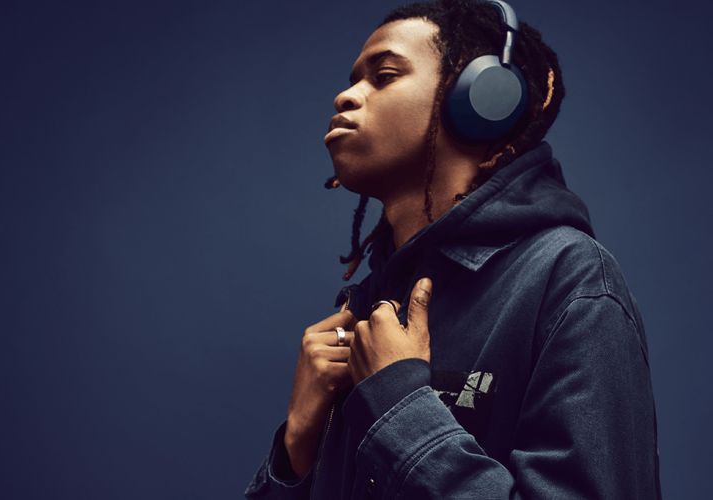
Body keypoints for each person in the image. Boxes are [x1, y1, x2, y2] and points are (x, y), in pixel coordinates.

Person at [244, 0, 661, 498]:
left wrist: (399, 404)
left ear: (482, 98)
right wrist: (296, 448)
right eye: (353, 80)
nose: (345, 96)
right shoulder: (370, 306)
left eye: (384, 75)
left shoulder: (571, 280)